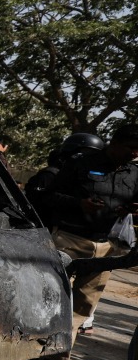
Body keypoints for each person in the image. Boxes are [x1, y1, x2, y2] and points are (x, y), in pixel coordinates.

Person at [43, 125, 138, 342]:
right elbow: (49, 197)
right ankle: (34, 355)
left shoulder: (134, 173)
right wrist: (79, 204)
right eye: (130, 148)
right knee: (51, 297)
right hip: (70, 240)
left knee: (83, 306)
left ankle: (57, 357)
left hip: (106, 248)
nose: (134, 154)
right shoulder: (81, 163)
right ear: (114, 143)